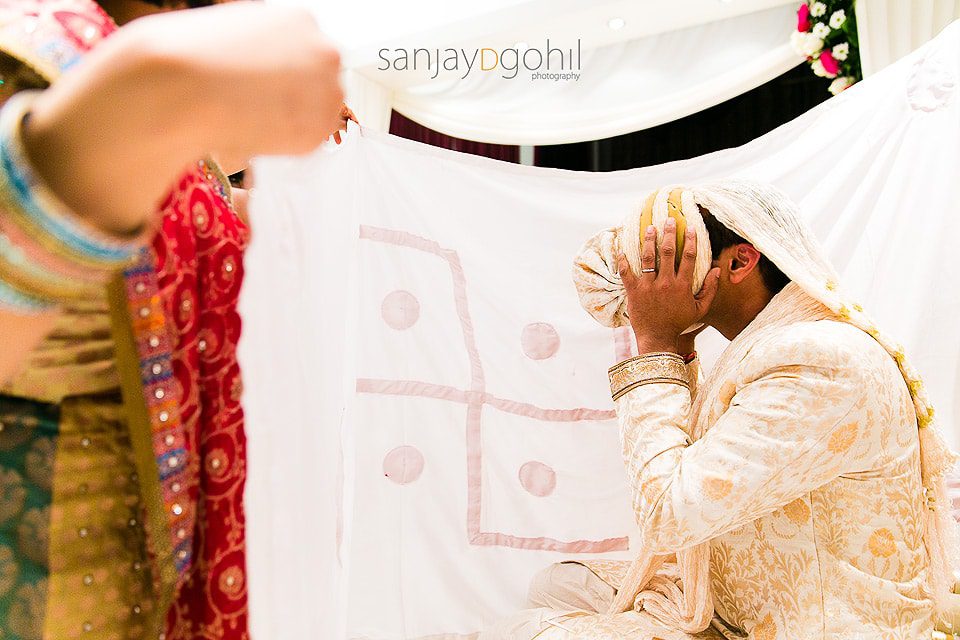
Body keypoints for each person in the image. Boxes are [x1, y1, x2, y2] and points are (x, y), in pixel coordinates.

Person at [0, 0, 347, 637]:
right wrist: (131, 104)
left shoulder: (103, 48)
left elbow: (205, 212)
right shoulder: (27, 54)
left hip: (159, 563)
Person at [485, 182, 960, 639]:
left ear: (739, 261)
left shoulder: (818, 360)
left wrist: (655, 345)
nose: (650, 282)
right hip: (739, 600)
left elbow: (669, 513)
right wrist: (680, 355)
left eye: (670, 261)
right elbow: (707, 469)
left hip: (812, 626)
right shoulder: (774, 342)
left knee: (520, 632)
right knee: (559, 582)